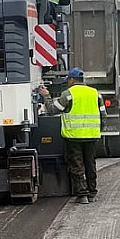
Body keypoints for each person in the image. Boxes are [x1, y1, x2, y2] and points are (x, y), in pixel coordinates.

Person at [38, 67, 106, 204]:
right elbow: (103, 115)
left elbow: (52, 110)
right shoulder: (95, 93)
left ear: (72, 79)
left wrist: (46, 95)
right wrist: (98, 130)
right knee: (90, 164)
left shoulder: (68, 94)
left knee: (77, 165)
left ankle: (82, 195)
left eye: (68, 80)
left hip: (74, 136)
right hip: (92, 136)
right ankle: (92, 193)